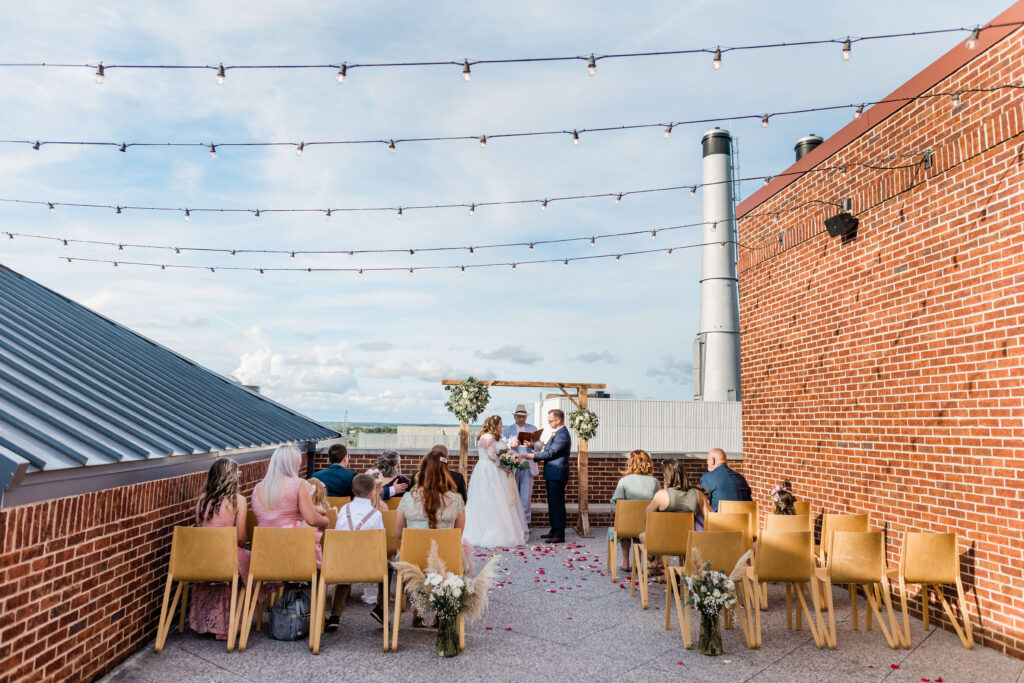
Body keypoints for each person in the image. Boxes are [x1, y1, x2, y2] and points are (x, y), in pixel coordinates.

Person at [396, 449, 467, 627]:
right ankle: (441, 612)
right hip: (447, 559)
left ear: (423, 471)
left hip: (411, 560)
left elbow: (399, 533)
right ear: (446, 471)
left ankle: (419, 610)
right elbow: (457, 535)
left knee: (419, 559)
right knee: (450, 560)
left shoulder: (407, 498)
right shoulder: (456, 500)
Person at [188, 457, 251, 640]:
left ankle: (205, 623)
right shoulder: (238, 501)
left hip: (201, 560)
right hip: (226, 559)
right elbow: (240, 538)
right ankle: (235, 621)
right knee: (254, 564)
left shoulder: (201, 500)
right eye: (237, 473)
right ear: (231, 477)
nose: (240, 476)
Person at [324, 473, 387, 631]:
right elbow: (379, 542)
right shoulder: (376, 514)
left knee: (344, 580)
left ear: (353, 490)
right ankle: (381, 609)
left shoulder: (344, 509)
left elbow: (339, 534)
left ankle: (335, 615)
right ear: (372, 493)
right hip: (369, 568)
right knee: (388, 568)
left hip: (343, 565)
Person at [251, 444, 329, 565]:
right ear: (292, 465)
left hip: (265, 552)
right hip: (292, 550)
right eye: (298, 464)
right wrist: (325, 521)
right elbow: (312, 519)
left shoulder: (257, 488)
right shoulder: (298, 484)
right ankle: (315, 581)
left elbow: (279, 510)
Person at [463, 416, 528, 548]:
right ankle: (489, 532)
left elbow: (504, 452)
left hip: (495, 471)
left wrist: (515, 457)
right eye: (500, 424)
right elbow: (493, 457)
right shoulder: (487, 438)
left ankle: (504, 530)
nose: (502, 426)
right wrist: (506, 468)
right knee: (489, 500)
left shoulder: (496, 438)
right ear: (494, 425)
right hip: (489, 471)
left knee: (500, 500)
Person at [608, 450, 660, 572]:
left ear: (630, 463)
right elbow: (657, 502)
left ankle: (626, 562)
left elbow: (618, 502)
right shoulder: (654, 482)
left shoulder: (624, 481)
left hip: (626, 525)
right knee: (639, 529)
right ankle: (637, 563)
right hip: (646, 525)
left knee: (626, 530)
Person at [527, 409, 571, 544]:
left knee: (557, 504)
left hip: (557, 474)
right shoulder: (557, 434)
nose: (549, 422)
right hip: (553, 473)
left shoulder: (562, 435)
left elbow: (551, 453)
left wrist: (533, 456)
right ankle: (554, 529)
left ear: (558, 421)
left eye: (551, 420)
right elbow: (549, 451)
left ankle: (559, 533)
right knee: (552, 504)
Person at [502, 404, 539, 525]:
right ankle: (512, 524)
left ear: (526, 417)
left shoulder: (533, 428)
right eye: (519, 416)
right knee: (512, 494)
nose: (521, 419)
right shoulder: (507, 430)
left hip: (528, 464)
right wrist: (510, 445)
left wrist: (532, 445)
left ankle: (525, 523)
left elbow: (540, 445)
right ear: (514, 417)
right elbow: (501, 449)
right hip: (513, 465)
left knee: (526, 496)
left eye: (523, 417)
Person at [646, 459, 711, 527]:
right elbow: (711, 518)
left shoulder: (661, 495)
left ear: (666, 476)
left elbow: (648, 516)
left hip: (664, 535)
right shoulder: (698, 494)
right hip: (689, 536)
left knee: (642, 535)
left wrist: (666, 489)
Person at [699, 447, 752, 512]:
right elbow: (750, 504)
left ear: (713, 460)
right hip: (742, 521)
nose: (707, 462)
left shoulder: (707, 479)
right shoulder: (741, 478)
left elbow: (702, 505)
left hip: (718, 521)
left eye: (708, 459)